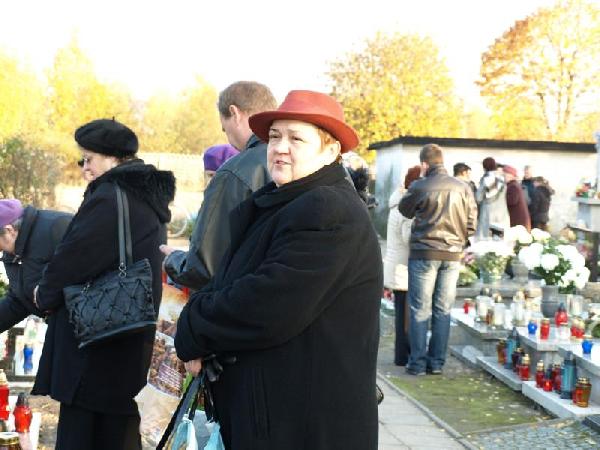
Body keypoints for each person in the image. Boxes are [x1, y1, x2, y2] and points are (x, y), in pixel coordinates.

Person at [175, 90, 382, 450]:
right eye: (274, 137)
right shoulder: (287, 200)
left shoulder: (327, 210)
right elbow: (231, 278)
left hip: (303, 424)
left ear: (330, 151)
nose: (280, 148)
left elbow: (267, 304)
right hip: (280, 413)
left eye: (296, 139)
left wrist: (194, 325)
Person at [32, 119, 176, 450]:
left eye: (89, 159)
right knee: (118, 432)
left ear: (113, 158)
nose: (84, 168)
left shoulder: (111, 196)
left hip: (97, 341)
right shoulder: (143, 196)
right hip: (129, 332)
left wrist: (45, 293)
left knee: (84, 434)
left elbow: (75, 256)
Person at [162, 81, 277, 291]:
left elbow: (204, 268)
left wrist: (174, 260)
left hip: (242, 296)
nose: (228, 139)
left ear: (235, 113)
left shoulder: (235, 172)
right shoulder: (299, 162)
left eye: (225, 129)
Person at [399, 144, 476, 376]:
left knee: (420, 309)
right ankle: (436, 363)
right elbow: (471, 223)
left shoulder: (420, 185)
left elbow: (404, 210)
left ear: (424, 164)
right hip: (452, 254)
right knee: (443, 310)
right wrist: (460, 240)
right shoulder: (462, 187)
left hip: (424, 251)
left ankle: (417, 363)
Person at [0, 199, 71, 332]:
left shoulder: (58, 225)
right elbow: (20, 300)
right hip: (58, 325)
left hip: (88, 320)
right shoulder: (10, 253)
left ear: (9, 230)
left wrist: (46, 291)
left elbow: (82, 268)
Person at [383, 166, 420, 366]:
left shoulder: (398, 202)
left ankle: (401, 356)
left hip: (397, 266)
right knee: (405, 318)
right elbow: (408, 238)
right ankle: (403, 356)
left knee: (401, 315)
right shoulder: (406, 208)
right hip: (402, 269)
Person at [476, 157, 510, 238]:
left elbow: (478, 197)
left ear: (484, 167)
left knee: (486, 241)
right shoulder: (502, 179)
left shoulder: (485, 179)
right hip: (502, 214)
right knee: (501, 240)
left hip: (487, 214)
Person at [503, 165, 531, 231]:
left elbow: (512, 201)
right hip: (519, 219)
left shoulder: (513, 186)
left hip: (519, 220)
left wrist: (502, 198)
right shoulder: (513, 184)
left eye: (505, 175)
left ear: (511, 176)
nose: (504, 177)